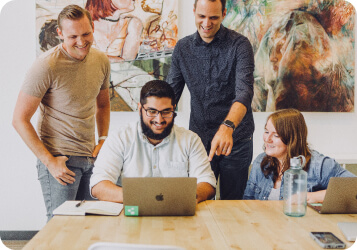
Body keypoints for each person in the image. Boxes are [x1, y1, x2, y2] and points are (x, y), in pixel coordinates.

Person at [12, 5, 111, 220]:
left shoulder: (101, 61)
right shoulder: (46, 66)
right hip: (60, 161)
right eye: (73, 36)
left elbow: (103, 105)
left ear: (93, 27)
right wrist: (49, 161)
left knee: (92, 224)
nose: (81, 41)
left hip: (90, 158)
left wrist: (103, 139)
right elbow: (19, 119)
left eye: (86, 34)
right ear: (60, 34)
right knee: (61, 228)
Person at [167, 0, 255, 200]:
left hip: (236, 138)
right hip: (199, 140)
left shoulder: (240, 45)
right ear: (194, 12)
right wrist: (150, 108)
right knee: (197, 201)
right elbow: (171, 93)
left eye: (213, 17)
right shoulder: (182, 48)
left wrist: (227, 126)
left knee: (232, 205)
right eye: (202, 16)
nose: (206, 23)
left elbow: (244, 92)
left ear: (224, 13)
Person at [90, 80, 216, 203]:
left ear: (174, 109)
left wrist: (185, 198)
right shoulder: (120, 138)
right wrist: (143, 198)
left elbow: (207, 183)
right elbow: (98, 185)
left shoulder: (191, 140)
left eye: (166, 111)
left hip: (177, 215)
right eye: (152, 111)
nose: (159, 119)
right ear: (140, 109)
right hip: (130, 214)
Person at [243, 109, 355, 202]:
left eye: (276, 135)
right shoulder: (260, 161)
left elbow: (353, 188)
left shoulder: (319, 165)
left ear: (292, 138)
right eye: (266, 132)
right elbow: (248, 203)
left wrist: (311, 196)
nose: (267, 139)